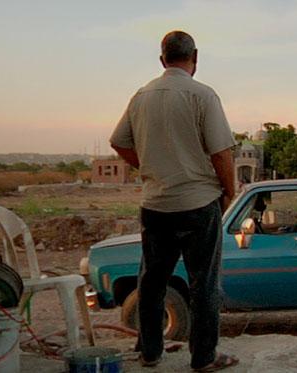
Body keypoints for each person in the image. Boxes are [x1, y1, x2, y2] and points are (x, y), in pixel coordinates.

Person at [109, 30, 238, 372]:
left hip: (156, 205)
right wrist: (229, 191)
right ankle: (204, 358)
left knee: (152, 282)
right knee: (204, 284)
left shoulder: (141, 96)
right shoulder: (203, 95)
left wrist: (149, 167)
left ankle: (150, 352)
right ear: (195, 57)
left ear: (161, 59)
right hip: (198, 204)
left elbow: (119, 142)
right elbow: (222, 154)